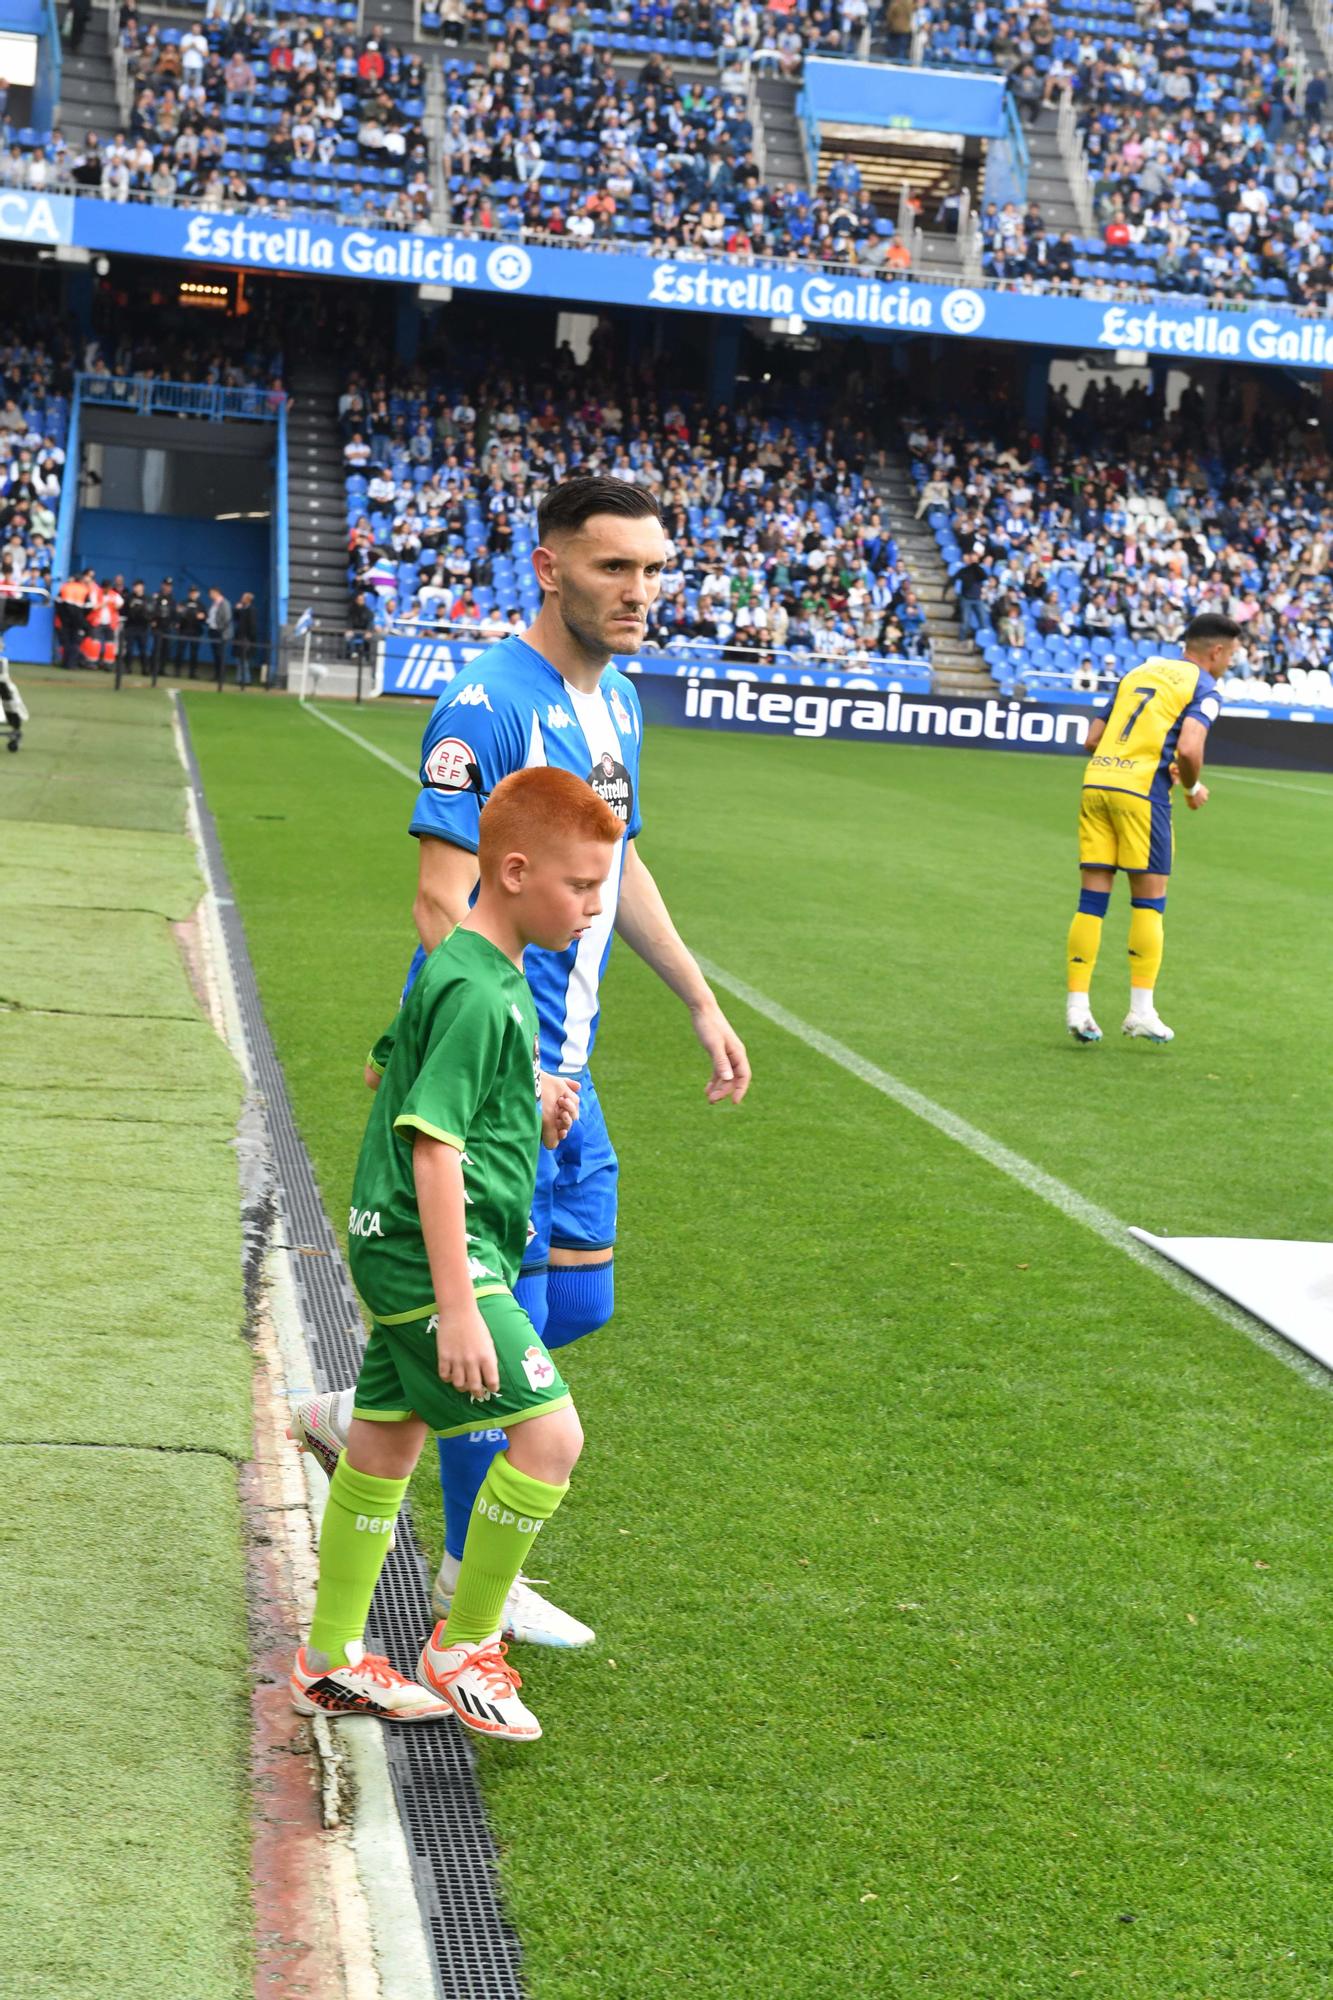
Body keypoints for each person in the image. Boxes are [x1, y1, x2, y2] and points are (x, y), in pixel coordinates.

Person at [289, 475, 751, 1650]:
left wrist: (698, 997)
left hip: (568, 1067)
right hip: (502, 1075)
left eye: (652, 568)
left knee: (578, 1297)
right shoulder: (487, 705)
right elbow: (438, 900)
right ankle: (466, 1576)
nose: (638, 590)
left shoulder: (619, 702)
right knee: (510, 1318)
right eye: (612, 567)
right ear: (549, 568)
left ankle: (374, 1394)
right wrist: (511, 1065)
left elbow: (615, 865)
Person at [289, 765, 616, 1736]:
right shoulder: (481, 990)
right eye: (579, 885)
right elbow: (432, 1147)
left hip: (399, 1243)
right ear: (513, 871)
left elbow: (385, 1065)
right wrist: (462, 1305)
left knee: (385, 1440)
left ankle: (328, 1660)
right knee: (551, 1439)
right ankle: (463, 1642)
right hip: (436, 1256)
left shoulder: (468, 967)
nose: (593, 906)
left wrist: (524, 1096)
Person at [1065, 612, 1235, 1047]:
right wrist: (1191, 786)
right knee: (1148, 903)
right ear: (1216, 651)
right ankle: (1141, 1012)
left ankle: (1078, 1008)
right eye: (1231, 655)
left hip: (1097, 783)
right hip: (1142, 793)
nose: (1230, 663)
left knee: (1091, 901)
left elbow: (1091, 739)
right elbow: (1190, 747)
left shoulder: (1138, 672)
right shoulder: (1204, 688)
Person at [121, 579, 153, 674]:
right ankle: (128, 668)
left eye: (138, 586)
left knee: (143, 649)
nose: (136, 588)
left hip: (142, 627)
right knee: (129, 649)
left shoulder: (148, 599)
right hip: (130, 626)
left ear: (142, 587)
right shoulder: (129, 598)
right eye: (135, 586)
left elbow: (151, 612)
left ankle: (145, 669)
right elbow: (123, 611)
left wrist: (148, 618)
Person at [176, 584, 206, 676]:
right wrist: (178, 619)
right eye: (191, 592)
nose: (193, 594)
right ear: (189, 593)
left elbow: (205, 618)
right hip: (184, 630)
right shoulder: (183, 603)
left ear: (198, 594)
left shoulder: (201, 605)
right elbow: (178, 615)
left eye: (194, 592)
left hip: (196, 631)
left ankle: (192, 673)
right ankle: (177, 671)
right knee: (180, 651)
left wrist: (202, 617)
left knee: (194, 653)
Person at [151, 577, 177, 677]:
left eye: (169, 586)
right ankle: (153, 669)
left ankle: (161, 669)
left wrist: (175, 622)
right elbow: (152, 610)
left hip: (167, 627)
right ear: (162, 585)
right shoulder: (156, 597)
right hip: (158, 626)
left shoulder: (172, 599)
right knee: (157, 648)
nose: (167, 587)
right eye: (166, 585)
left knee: (166, 649)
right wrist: (153, 620)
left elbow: (173, 613)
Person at [206, 584, 233, 679]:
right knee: (216, 654)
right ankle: (217, 675)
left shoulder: (224, 603)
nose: (210, 595)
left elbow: (227, 618)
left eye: (211, 593)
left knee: (220, 654)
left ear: (216, 593)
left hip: (220, 632)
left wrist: (220, 628)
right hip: (212, 631)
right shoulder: (214, 603)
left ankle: (221, 676)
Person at [234, 590, 258, 686]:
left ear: (248, 599)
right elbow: (236, 618)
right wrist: (237, 609)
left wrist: (250, 638)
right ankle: (239, 678)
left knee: (245, 660)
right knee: (239, 659)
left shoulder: (251, 610)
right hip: (240, 637)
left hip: (246, 638)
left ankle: (246, 679)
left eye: (243, 597)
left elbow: (252, 625)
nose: (241, 599)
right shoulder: (243, 609)